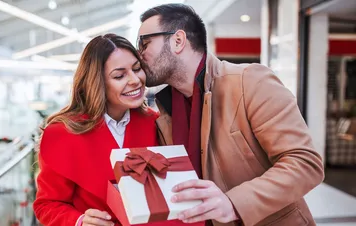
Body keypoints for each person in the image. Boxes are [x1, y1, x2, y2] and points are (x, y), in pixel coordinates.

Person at [138, 4, 324, 226]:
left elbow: (305, 163)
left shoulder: (250, 81)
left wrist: (233, 203)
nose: (139, 54)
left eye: (144, 43)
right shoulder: (164, 110)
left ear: (178, 41)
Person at [33, 34, 161, 226]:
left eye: (137, 69)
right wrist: (78, 221)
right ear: (97, 82)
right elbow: (47, 204)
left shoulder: (156, 122)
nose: (135, 80)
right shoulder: (61, 133)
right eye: (119, 75)